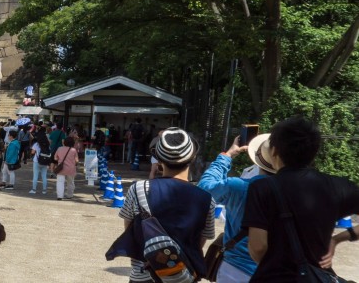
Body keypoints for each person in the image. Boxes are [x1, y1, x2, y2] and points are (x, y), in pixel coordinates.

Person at [243, 116, 359, 281]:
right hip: (317, 277)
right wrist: (337, 239)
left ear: (274, 150)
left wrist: (274, 267)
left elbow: (258, 247)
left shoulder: (262, 188)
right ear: (314, 151)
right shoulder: (338, 186)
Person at [116, 127, 214, 282]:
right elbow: (201, 241)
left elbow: (130, 230)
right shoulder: (207, 199)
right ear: (193, 158)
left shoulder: (138, 189)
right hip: (185, 277)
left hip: (144, 275)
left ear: (159, 160)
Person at [198, 133, 273, 283]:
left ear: (257, 159)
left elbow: (204, 189)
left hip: (236, 270)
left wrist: (227, 155)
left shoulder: (239, 187)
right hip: (279, 272)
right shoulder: (302, 193)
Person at [30, 128, 50, 195]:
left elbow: (32, 152)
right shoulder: (47, 144)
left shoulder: (36, 144)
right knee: (44, 176)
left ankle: (34, 189)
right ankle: (44, 190)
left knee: (35, 176)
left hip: (37, 161)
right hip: (45, 161)